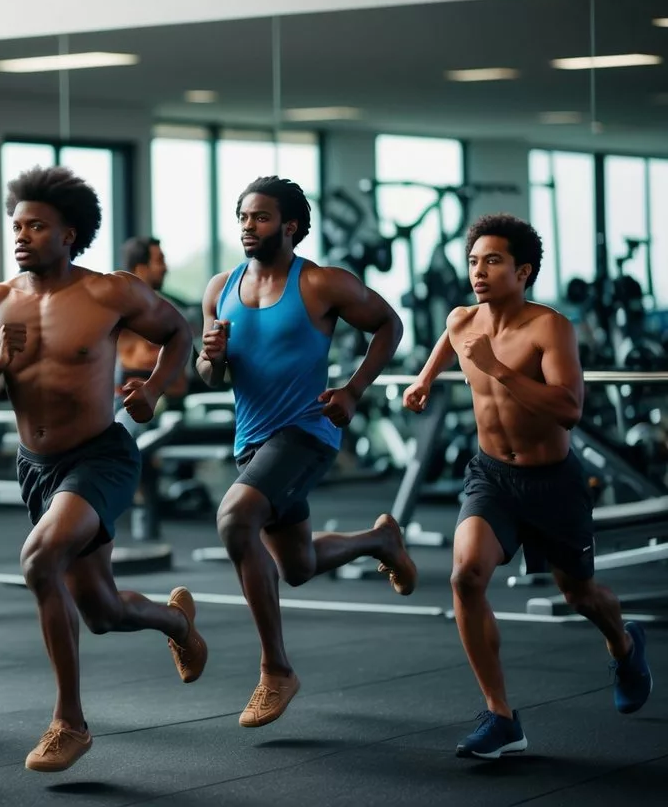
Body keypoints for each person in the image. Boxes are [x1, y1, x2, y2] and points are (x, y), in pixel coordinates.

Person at [0, 165, 208, 773]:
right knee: (101, 612)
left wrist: (151, 388)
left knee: (39, 558)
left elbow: (179, 332)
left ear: (70, 234)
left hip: (101, 456)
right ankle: (175, 620)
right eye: (17, 225)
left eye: (37, 226)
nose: (22, 235)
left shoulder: (108, 293)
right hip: (37, 467)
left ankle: (68, 722)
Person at [402, 213, 653, 759]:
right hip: (491, 475)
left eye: (493, 261)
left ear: (524, 271)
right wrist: (424, 379)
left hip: (552, 482)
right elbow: (450, 338)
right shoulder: (462, 320)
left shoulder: (550, 328)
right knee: (466, 576)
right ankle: (500, 716)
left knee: (580, 595)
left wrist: (500, 370)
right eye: (474, 261)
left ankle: (624, 643)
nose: (480, 271)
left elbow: (568, 409)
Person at [198, 175, 416, 730]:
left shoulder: (321, 284)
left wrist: (353, 390)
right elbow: (207, 376)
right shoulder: (220, 288)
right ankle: (380, 539)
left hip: (306, 433)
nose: (248, 226)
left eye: (261, 217)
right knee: (296, 567)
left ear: (290, 226)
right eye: (243, 216)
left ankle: (276, 670)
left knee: (235, 517)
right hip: (253, 442)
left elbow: (388, 324)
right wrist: (211, 357)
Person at [115, 237, 188, 437]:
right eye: (160, 261)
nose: (165, 268)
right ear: (140, 268)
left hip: (164, 402)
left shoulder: (169, 313)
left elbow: (180, 381)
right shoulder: (118, 310)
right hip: (125, 400)